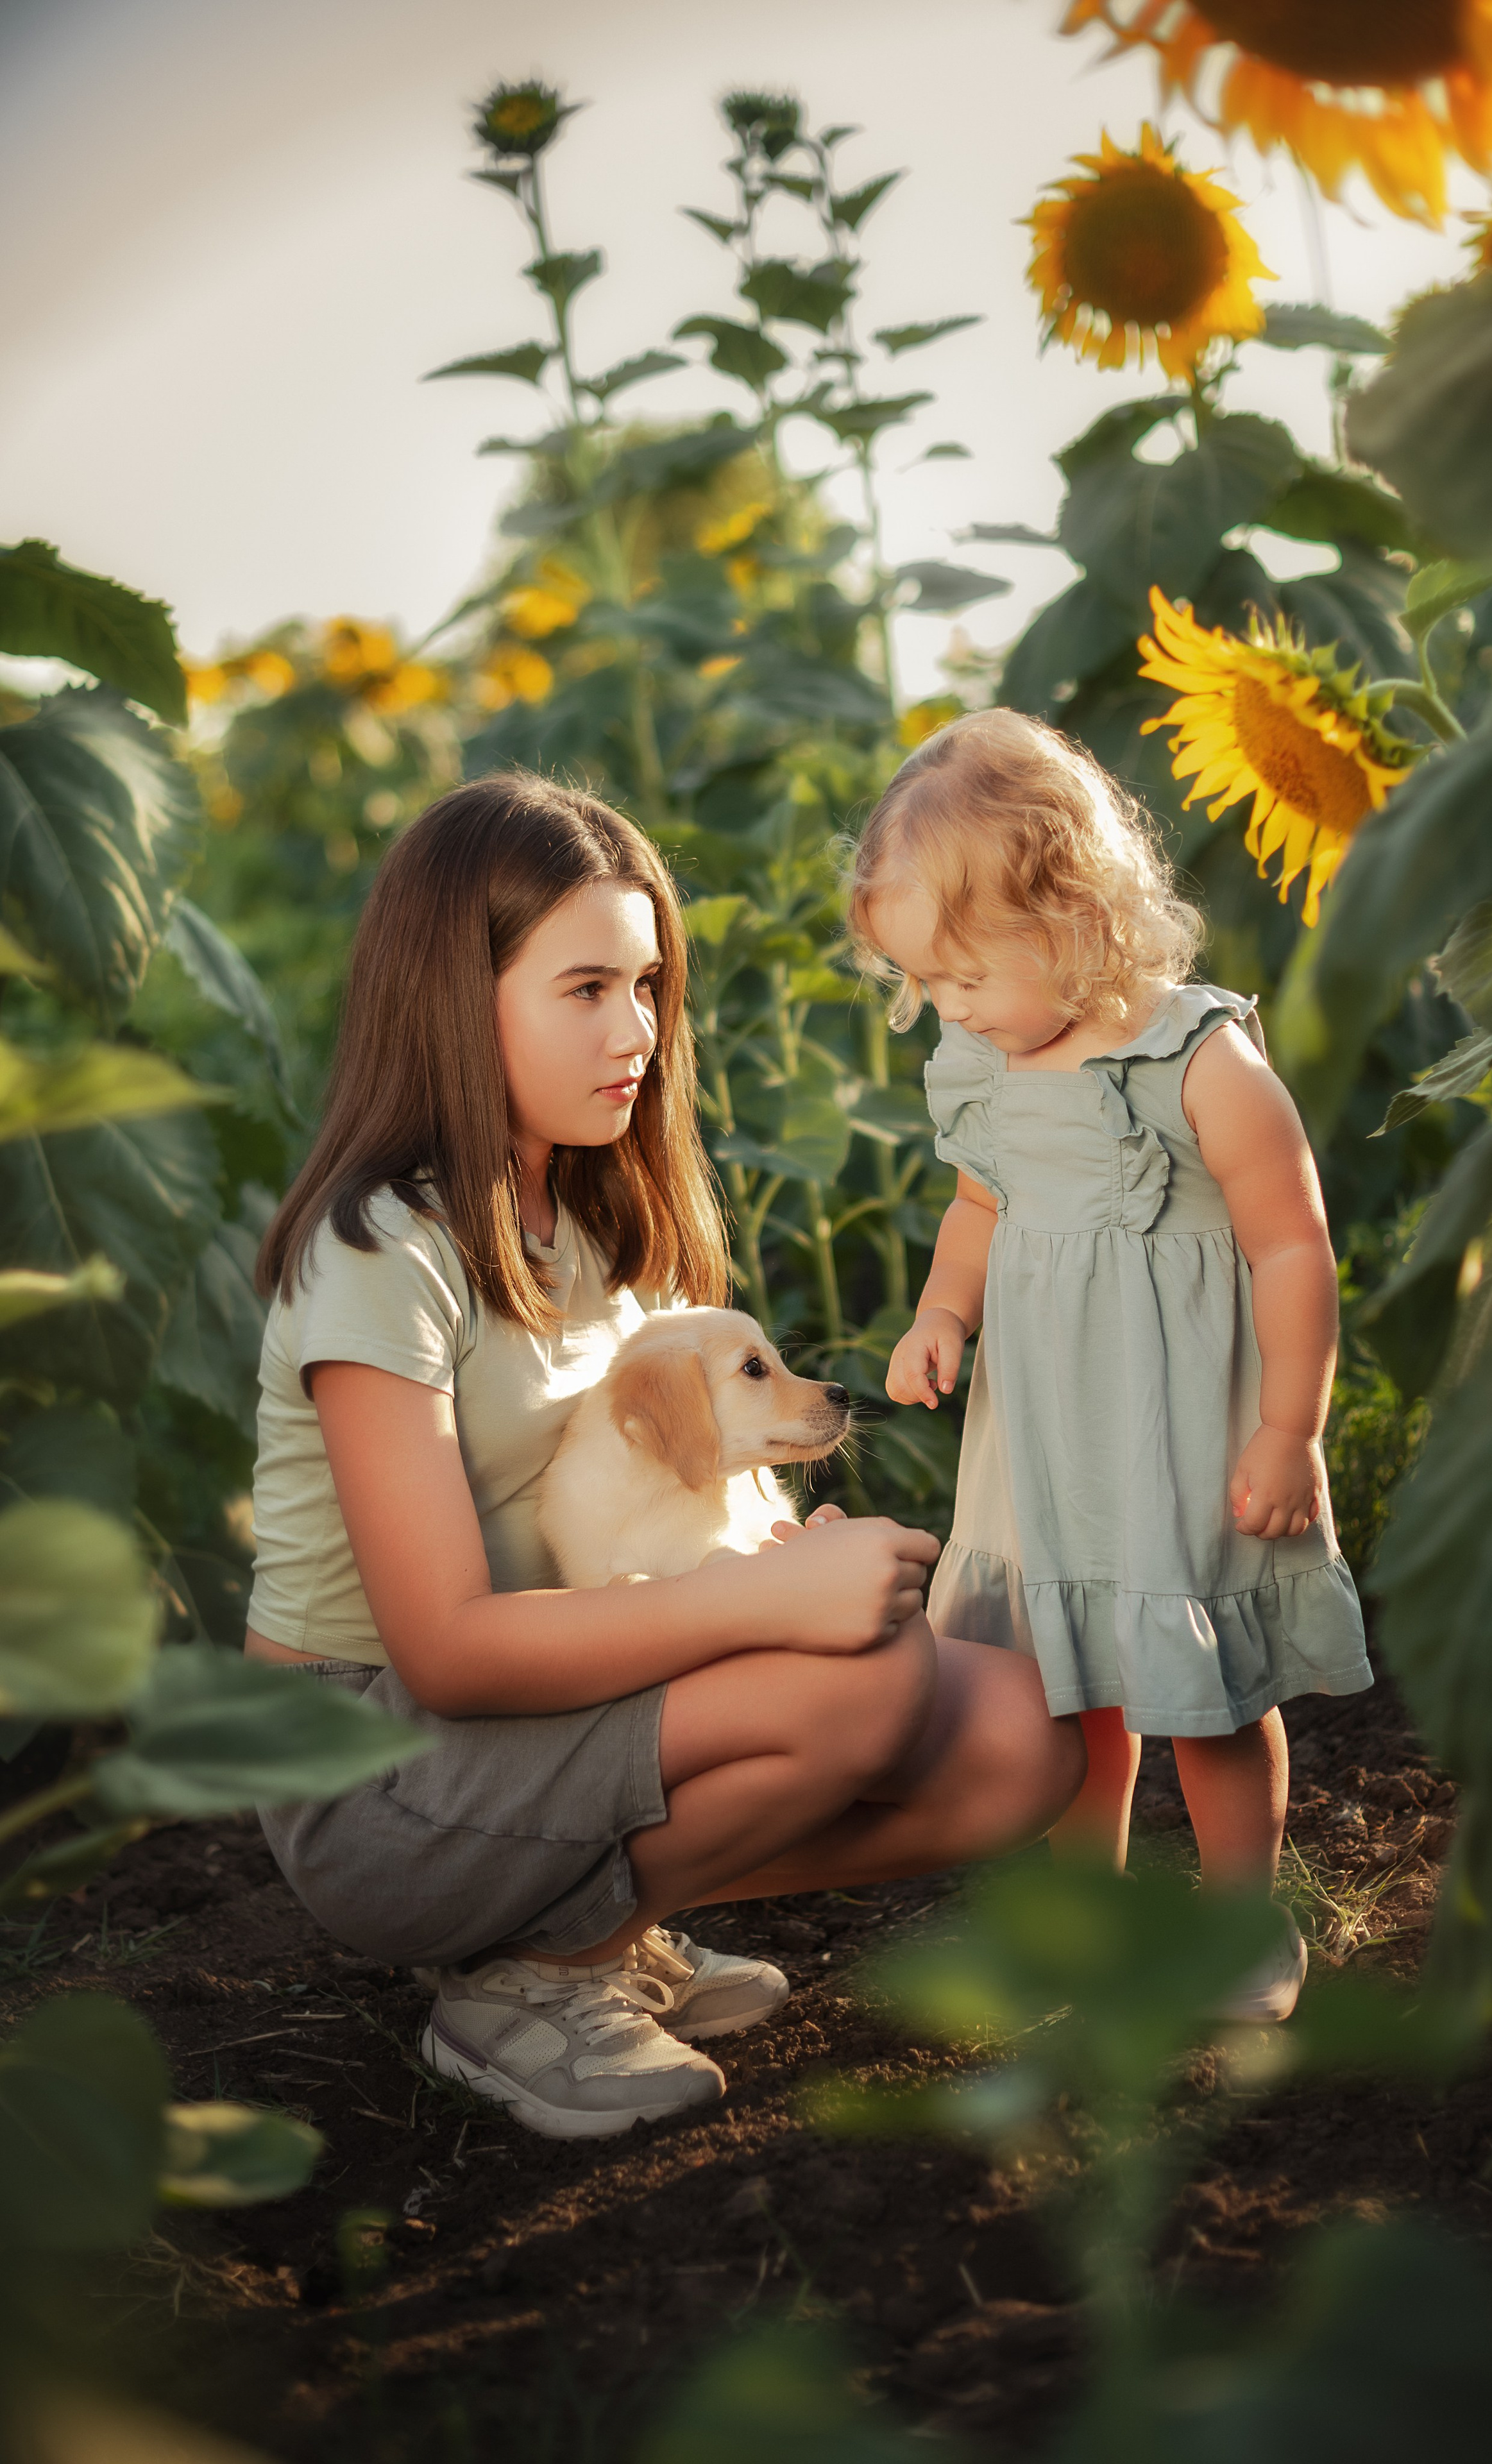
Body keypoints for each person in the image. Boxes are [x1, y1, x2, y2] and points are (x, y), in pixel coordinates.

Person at [245, 773, 1083, 2141]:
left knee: (1019, 1738)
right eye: (586, 989)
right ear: (460, 997)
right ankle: (533, 1979)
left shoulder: (582, 1224)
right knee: (861, 1685)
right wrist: (765, 1610)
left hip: (536, 1698)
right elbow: (447, 1649)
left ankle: (580, 1925)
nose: (634, 1030)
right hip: (376, 1766)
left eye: (647, 986)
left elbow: (627, 1524)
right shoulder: (378, 1256)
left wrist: (762, 1557)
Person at [848, 709, 1371, 2023]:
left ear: (1073, 913)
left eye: (964, 974)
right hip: (1049, 1438)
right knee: (1066, 1689)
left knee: (1197, 1693)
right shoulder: (981, 1068)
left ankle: (1239, 1927)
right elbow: (979, 1209)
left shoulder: (1196, 1059)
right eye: (927, 985)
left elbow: (1291, 1246)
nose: (946, 1008)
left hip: (1182, 1425)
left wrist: (1286, 1429)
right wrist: (940, 1318)